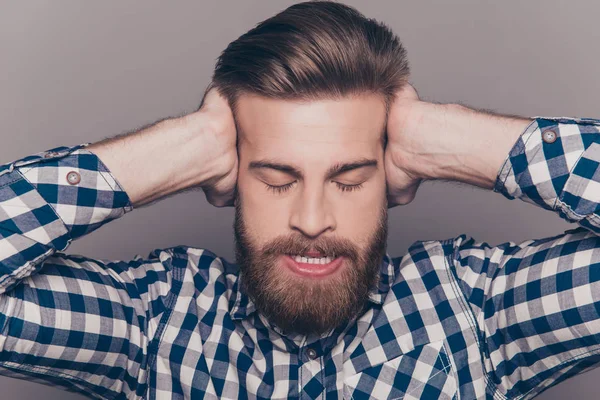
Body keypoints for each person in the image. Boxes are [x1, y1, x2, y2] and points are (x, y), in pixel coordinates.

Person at [1, 1, 599, 399]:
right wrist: (178, 149)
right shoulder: (152, 320)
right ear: (232, 175)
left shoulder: (479, 310)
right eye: (278, 179)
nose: (312, 220)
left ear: (393, 175)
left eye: (349, 179)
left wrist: (457, 141)